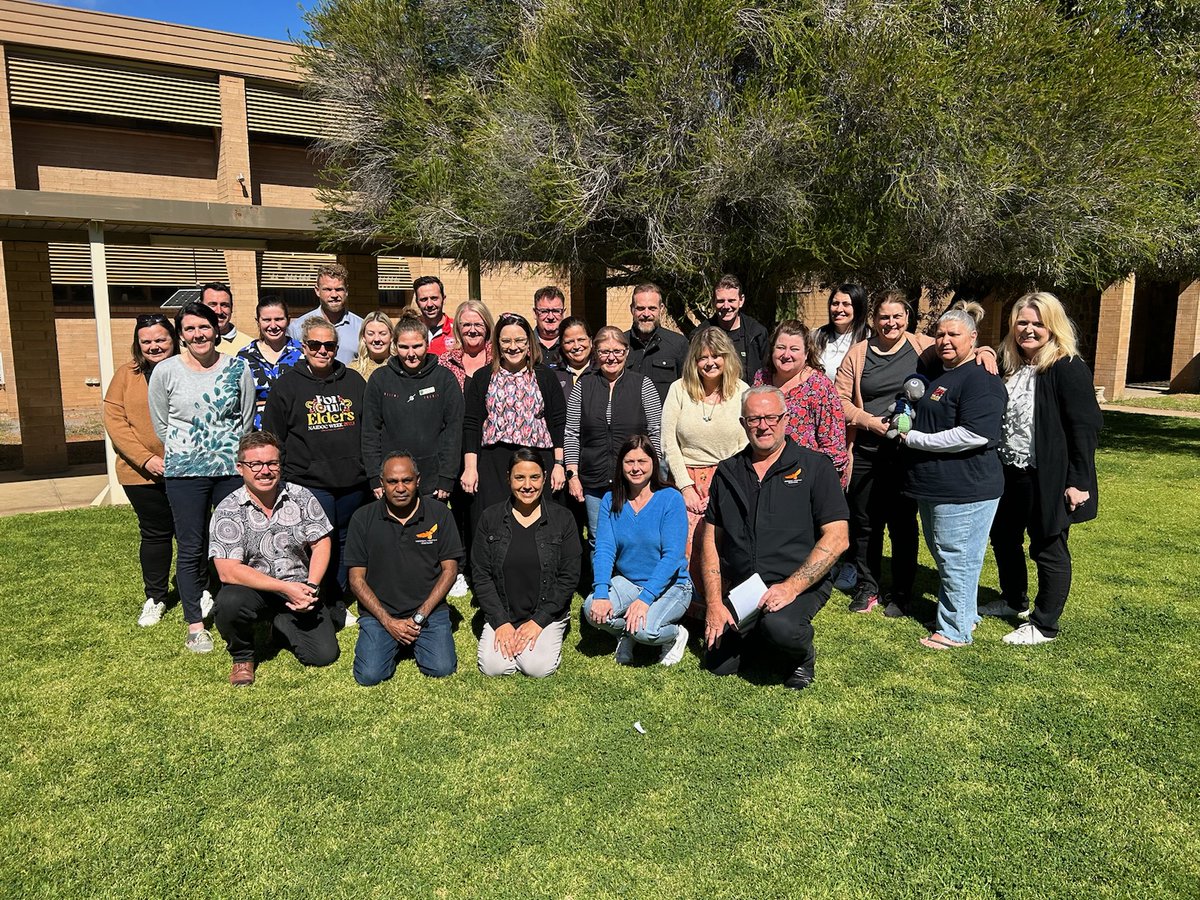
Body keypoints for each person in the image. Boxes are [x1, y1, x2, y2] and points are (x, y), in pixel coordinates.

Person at [837, 296, 999, 616]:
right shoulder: (858, 353)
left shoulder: (923, 346)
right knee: (865, 524)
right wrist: (870, 422)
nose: (891, 323)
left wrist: (986, 351)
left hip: (907, 452)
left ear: (907, 318)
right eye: (884, 317)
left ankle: (901, 592)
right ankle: (868, 587)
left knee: (902, 525)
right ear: (873, 319)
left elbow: (958, 344)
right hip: (868, 451)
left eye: (897, 316)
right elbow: (839, 400)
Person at [700, 386, 850, 690]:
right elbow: (710, 542)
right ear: (743, 424)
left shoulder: (814, 467)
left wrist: (791, 587)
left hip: (797, 580)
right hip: (747, 587)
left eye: (771, 417)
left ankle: (801, 656)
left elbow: (838, 537)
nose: (763, 426)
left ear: (785, 419)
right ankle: (757, 631)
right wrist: (714, 602)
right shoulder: (728, 472)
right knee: (718, 661)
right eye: (754, 419)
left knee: (781, 626)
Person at [986, 292, 1103, 645]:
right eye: (1022, 322)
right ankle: (1012, 599)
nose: (1029, 330)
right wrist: (985, 351)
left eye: (1038, 323)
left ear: (1052, 327)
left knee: (1047, 546)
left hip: (1048, 476)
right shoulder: (1010, 364)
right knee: (1004, 538)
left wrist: (1079, 481)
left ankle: (1045, 623)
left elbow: (1086, 427)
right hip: (1010, 471)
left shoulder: (1066, 367)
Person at [149, 300, 255, 652]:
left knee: (231, 543)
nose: (198, 334)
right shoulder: (166, 372)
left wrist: (225, 453)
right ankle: (196, 623)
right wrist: (188, 451)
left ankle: (234, 613)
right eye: (190, 328)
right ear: (181, 335)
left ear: (216, 329)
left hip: (228, 470)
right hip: (184, 473)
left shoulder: (237, 368)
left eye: (204, 327)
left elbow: (245, 419)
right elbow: (162, 424)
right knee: (192, 546)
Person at [900, 303, 1007, 650]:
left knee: (955, 557)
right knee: (951, 555)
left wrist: (917, 439)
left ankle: (954, 631)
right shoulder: (942, 371)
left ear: (973, 338)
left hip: (966, 488)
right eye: (940, 334)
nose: (945, 340)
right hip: (937, 486)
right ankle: (963, 613)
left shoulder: (981, 378)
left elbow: (974, 433)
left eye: (954, 334)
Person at [261, 315, 369, 626]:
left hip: (352, 481)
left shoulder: (352, 381)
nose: (322, 350)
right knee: (318, 542)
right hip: (309, 482)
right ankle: (320, 598)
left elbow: (367, 428)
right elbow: (274, 436)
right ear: (303, 346)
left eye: (329, 345)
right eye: (315, 344)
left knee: (347, 540)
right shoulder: (287, 385)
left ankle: (340, 597)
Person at [209, 432, 339, 686]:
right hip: (253, 589)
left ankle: (279, 625)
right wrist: (283, 588)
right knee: (229, 602)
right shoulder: (228, 509)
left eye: (272, 463)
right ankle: (242, 655)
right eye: (255, 464)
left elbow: (321, 541)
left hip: (300, 586)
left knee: (323, 655)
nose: (264, 471)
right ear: (240, 468)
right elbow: (228, 571)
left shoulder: (301, 497)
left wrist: (311, 586)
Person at [347, 452, 463, 683]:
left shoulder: (440, 514)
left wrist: (419, 616)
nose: (400, 488)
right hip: (380, 613)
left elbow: (450, 571)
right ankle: (391, 639)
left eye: (406, 480)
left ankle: (410, 640)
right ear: (382, 483)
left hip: (429, 612)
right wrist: (388, 622)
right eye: (392, 481)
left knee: (442, 668)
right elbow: (356, 579)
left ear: (418, 480)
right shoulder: (362, 518)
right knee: (369, 675)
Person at [582, 436, 692, 666]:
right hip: (629, 581)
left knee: (646, 631)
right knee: (592, 608)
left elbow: (672, 557)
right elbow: (603, 549)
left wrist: (645, 599)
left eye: (642, 461)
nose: (635, 468)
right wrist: (601, 591)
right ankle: (626, 632)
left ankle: (675, 635)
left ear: (653, 462)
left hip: (672, 584)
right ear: (620, 465)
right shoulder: (611, 500)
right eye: (629, 461)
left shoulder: (670, 499)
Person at [473, 448, 582, 677]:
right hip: (504, 610)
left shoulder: (562, 519)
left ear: (544, 477)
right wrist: (501, 623)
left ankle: (545, 634)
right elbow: (481, 575)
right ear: (508, 479)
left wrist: (538, 622)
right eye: (519, 477)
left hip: (546, 612)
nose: (527, 485)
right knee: (494, 667)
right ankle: (509, 634)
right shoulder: (490, 518)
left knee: (536, 668)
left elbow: (569, 577)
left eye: (534, 477)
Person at [103, 313, 179, 627]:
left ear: (173, 340)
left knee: (194, 534)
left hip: (187, 469)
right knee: (156, 534)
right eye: (146, 341)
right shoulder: (126, 375)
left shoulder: (188, 369)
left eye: (160, 339)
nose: (153, 346)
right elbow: (115, 422)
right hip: (141, 474)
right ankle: (156, 597)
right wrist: (146, 459)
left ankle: (200, 590)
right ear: (138, 343)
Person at [462, 312, 566, 529]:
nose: (513, 346)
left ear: (529, 343)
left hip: (537, 459)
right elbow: (471, 424)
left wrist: (558, 464)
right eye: (506, 340)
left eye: (519, 340)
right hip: (493, 462)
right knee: (494, 524)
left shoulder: (545, 376)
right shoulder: (483, 377)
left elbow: (558, 423)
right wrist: (470, 468)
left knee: (538, 525)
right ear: (497, 344)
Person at [660, 327, 748, 579]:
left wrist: (723, 488)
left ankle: (721, 605)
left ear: (727, 357)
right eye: (703, 357)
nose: (710, 363)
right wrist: (686, 487)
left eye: (716, 356)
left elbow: (745, 446)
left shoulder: (742, 391)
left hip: (729, 478)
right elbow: (668, 441)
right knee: (684, 545)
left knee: (721, 544)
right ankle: (686, 607)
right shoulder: (679, 389)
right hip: (685, 478)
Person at [565, 326, 662, 552]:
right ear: (595, 354)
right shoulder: (583, 386)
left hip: (634, 478)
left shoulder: (643, 385)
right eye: (604, 352)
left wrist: (651, 472)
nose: (611, 357)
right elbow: (571, 433)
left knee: (633, 537)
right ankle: (602, 585)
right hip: (594, 479)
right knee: (599, 538)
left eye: (618, 351)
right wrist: (573, 475)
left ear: (627, 352)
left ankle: (632, 584)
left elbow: (656, 431)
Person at [362, 315, 464, 500]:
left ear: (427, 344)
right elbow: (370, 431)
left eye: (417, 346)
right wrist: (374, 477)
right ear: (395, 346)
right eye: (404, 347)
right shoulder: (380, 379)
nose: (411, 354)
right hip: (391, 481)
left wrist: (447, 477)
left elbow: (453, 431)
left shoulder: (445, 379)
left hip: (432, 481)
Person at [752, 320, 848, 487]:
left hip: (807, 478)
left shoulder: (819, 386)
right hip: (765, 475)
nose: (786, 354)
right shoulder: (762, 379)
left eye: (794, 349)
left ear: (806, 353)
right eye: (781, 347)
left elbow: (834, 448)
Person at [238, 296, 303, 430]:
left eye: (279, 319)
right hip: (258, 432)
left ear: (288, 320)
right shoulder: (244, 357)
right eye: (266, 320)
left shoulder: (303, 353)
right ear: (258, 322)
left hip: (297, 429)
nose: (273, 326)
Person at [624, 283, 688, 405]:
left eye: (652, 308)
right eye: (640, 308)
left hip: (665, 421)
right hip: (628, 422)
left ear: (662, 309)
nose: (646, 314)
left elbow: (688, 389)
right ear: (632, 309)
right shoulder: (620, 345)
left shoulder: (678, 344)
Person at [287, 263, 364, 364]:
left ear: (346, 291)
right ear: (317, 291)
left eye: (339, 289)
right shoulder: (297, 328)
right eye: (327, 289)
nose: (334, 295)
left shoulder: (361, 328)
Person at [708, 274, 769, 379]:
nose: (726, 306)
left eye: (731, 300)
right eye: (721, 301)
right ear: (714, 302)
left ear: (741, 301)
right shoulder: (701, 334)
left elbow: (768, 372)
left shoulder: (757, 334)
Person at [814, 283, 871, 379]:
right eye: (835, 304)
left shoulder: (870, 338)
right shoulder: (817, 337)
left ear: (858, 308)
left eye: (846, 304)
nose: (839, 309)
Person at [438, 299, 494, 390]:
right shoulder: (446, 361)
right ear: (458, 328)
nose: (472, 330)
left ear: (487, 327)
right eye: (467, 325)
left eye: (478, 325)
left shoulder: (498, 359)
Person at [202, 282, 252, 355]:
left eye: (224, 305)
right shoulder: (188, 343)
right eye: (213, 305)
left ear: (231, 308)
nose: (219, 311)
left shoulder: (249, 346)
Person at [412, 275, 455, 355]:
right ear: (417, 303)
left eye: (434, 298)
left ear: (444, 299)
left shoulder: (457, 330)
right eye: (424, 299)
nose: (429, 304)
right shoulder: (410, 330)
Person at [553, 315, 593, 397]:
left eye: (581, 340)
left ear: (590, 341)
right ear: (561, 345)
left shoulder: (602, 372)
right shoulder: (553, 376)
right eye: (569, 342)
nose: (576, 346)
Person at [348, 310, 394, 380]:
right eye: (370, 334)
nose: (377, 339)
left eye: (382, 333)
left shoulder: (400, 366)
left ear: (391, 336)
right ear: (363, 337)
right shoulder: (353, 370)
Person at [532, 285, 567, 369]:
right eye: (544, 311)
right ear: (535, 313)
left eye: (556, 311)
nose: (550, 317)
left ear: (564, 313)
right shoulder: (526, 344)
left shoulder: (572, 345)